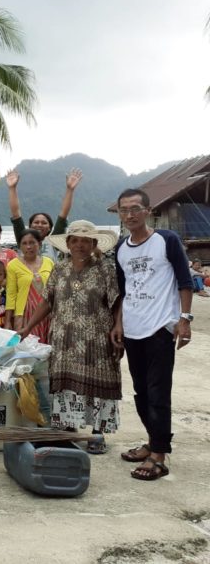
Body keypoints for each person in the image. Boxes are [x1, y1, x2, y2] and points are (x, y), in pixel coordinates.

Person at [111, 188, 193, 481]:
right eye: (124, 210)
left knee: (159, 392)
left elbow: (185, 282)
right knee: (141, 391)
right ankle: (152, 441)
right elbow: (123, 292)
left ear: (147, 211)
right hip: (133, 329)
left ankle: (159, 455)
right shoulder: (121, 248)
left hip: (160, 328)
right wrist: (118, 324)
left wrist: (184, 320)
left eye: (135, 208)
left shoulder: (166, 241)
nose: (130, 214)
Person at [19, 220, 121, 454]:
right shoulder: (60, 268)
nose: (80, 245)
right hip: (64, 336)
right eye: (75, 240)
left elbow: (116, 300)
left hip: (96, 337)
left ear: (94, 243)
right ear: (67, 243)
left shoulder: (105, 267)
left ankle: (97, 431)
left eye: (86, 241)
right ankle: (69, 428)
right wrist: (27, 327)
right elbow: (47, 300)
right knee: (65, 383)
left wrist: (118, 326)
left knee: (98, 383)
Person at [5, 168, 83, 261]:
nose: (39, 225)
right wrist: (12, 188)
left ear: (50, 228)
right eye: (36, 222)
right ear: (29, 226)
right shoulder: (23, 238)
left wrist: (70, 190)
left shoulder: (53, 241)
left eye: (44, 223)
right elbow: (16, 214)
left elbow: (63, 215)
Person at [6, 229, 55, 342]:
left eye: (32, 242)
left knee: (47, 347)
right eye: (24, 243)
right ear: (20, 246)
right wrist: (8, 321)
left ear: (40, 244)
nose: (28, 247)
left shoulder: (49, 262)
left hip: (46, 312)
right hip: (24, 314)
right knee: (27, 348)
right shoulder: (13, 265)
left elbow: (54, 290)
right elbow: (11, 294)